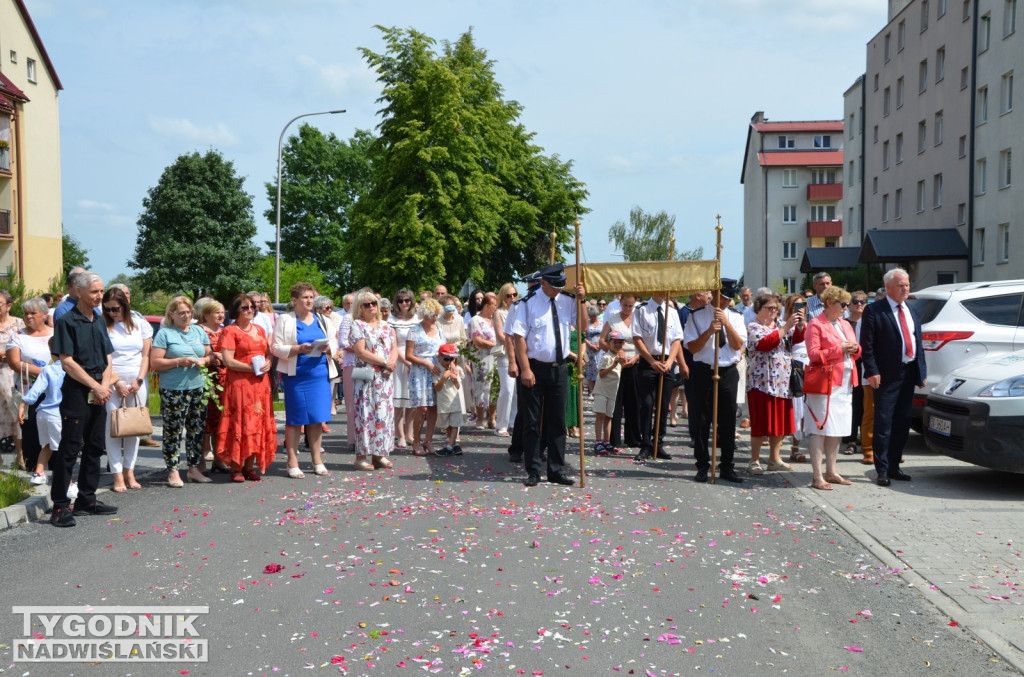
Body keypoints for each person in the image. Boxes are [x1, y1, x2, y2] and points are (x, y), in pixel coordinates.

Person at [48, 272, 117, 527]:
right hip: (78, 391)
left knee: (95, 446)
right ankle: (60, 506)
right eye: (94, 292)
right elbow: (66, 361)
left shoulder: (99, 320)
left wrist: (104, 386)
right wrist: (95, 387)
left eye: (101, 291)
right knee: (69, 448)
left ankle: (87, 500)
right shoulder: (67, 321)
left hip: (99, 388)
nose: (99, 296)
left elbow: (108, 357)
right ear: (79, 291)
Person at [510, 262, 585, 487]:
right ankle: (533, 469)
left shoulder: (568, 301)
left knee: (558, 421)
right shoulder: (526, 304)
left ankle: (556, 469)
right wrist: (525, 368)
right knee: (532, 422)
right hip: (535, 367)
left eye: (561, 285)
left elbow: (581, 327)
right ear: (543, 282)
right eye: (554, 285)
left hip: (559, 367)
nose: (559, 289)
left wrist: (582, 301)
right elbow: (519, 338)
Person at [860, 268, 926, 487]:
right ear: (888, 287)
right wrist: (871, 371)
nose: (905, 289)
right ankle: (882, 469)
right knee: (884, 423)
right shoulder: (874, 310)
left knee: (902, 421)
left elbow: (918, 344)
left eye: (907, 284)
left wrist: (921, 372)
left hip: (908, 373)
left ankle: (895, 466)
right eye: (901, 285)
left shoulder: (912, 310)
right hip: (886, 375)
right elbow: (866, 345)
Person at [684, 278, 747, 483]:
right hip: (704, 371)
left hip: (727, 370)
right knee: (702, 420)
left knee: (728, 421)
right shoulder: (696, 316)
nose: (726, 302)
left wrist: (726, 323)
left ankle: (727, 466)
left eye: (729, 298)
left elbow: (738, 345)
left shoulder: (736, 317)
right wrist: (709, 331)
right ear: (714, 293)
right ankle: (702, 465)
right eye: (723, 297)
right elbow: (692, 347)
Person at [272, 282, 332, 478]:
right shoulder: (285, 320)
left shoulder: (322, 319)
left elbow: (335, 342)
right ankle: (292, 460)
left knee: (316, 418)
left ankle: (317, 460)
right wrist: (297, 349)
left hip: (319, 373)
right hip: (296, 375)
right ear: (295, 300)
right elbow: (275, 347)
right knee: (296, 419)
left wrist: (329, 348)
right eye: (305, 297)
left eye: (311, 297)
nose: (309, 301)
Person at [151, 296, 213, 487]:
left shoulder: (197, 331)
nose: (186, 316)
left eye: (188, 312)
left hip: (197, 386)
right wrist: (179, 361)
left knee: (196, 429)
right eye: (181, 313)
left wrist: (204, 361)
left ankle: (193, 468)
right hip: (174, 389)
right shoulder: (165, 334)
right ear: (172, 314)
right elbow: (155, 362)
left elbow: (209, 353)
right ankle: (173, 470)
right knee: (173, 430)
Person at [803, 286, 860, 490]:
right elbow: (813, 355)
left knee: (837, 429)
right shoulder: (815, 324)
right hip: (824, 383)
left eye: (847, 304)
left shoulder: (845, 324)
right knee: (821, 428)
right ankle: (817, 475)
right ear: (829, 303)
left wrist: (855, 348)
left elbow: (856, 348)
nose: (846, 308)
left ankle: (832, 471)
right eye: (842, 304)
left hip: (844, 382)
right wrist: (839, 348)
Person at [217, 294, 277, 481]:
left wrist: (268, 362)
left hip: (260, 383)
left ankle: (250, 467)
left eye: (252, 307)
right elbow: (227, 360)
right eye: (245, 307)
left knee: (257, 423)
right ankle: (236, 467)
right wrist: (251, 368)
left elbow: (268, 353)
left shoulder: (259, 329)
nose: (250, 310)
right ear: (235, 310)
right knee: (240, 423)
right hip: (240, 384)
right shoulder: (230, 331)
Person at [745, 292, 804, 474]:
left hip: (781, 382)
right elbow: (766, 343)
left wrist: (801, 325)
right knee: (760, 423)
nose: (773, 311)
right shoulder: (754, 326)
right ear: (759, 309)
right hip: (761, 382)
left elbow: (797, 339)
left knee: (779, 423)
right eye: (769, 308)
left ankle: (774, 458)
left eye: (776, 308)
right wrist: (786, 327)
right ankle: (754, 460)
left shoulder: (780, 325)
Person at [101, 288, 153, 492]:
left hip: (137, 379)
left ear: (125, 305)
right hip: (114, 378)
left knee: (134, 427)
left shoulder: (140, 323)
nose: (112, 313)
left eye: (115, 308)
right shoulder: (104, 325)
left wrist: (139, 380)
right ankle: (116, 474)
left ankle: (129, 470)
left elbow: (146, 355)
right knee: (113, 427)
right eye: (107, 309)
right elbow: (104, 357)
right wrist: (117, 382)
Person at [632, 293, 686, 462]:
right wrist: (651, 361)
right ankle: (646, 444)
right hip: (649, 362)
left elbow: (677, 339)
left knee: (663, 406)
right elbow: (637, 338)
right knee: (647, 404)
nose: (665, 293)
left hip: (667, 363)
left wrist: (670, 361)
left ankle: (658, 443)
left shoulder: (672, 311)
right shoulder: (641, 310)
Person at [349, 290, 397, 470]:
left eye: (373, 303)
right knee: (365, 414)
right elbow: (361, 351)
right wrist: (385, 362)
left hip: (385, 378)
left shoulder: (387, 326)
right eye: (366, 304)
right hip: (367, 378)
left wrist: (391, 363)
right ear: (359, 308)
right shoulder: (357, 325)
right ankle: (361, 457)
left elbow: (394, 348)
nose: (371, 307)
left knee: (383, 415)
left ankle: (379, 454)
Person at [7, 297, 52, 473]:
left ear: (44, 314)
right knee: (31, 433)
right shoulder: (18, 336)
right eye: (26, 313)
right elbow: (14, 363)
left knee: (53, 430)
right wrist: (45, 373)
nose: (29, 317)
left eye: (33, 313)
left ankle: (57, 472)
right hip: (28, 391)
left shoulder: (55, 333)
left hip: (53, 392)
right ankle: (33, 470)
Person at [598, 294, 641, 452]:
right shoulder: (613, 319)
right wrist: (617, 351)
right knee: (615, 400)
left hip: (634, 362)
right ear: (620, 304)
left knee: (634, 401)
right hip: (616, 363)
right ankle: (613, 438)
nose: (628, 309)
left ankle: (633, 437)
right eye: (625, 305)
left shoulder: (638, 319)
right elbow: (602, 340)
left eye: (630, 306)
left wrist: (636, 357)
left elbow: (643, 342)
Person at [406, 298, 445, 455]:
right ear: (424, 314)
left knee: (433, 408)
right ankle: (416, 441)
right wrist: (426, 363)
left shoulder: (439, 330)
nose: (434, 317)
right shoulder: (414, 330)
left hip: (436, 371)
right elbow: (408, 355)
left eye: (436, 314)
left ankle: (428, 441)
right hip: (420, 371)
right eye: (431, 314)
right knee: (421, 408)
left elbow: (443, 351)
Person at [18, 357, 63, 487]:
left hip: (43, 412)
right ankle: (67, 483)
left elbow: (36, 390)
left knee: (47, 445)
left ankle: (38, 473)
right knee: (64, 450)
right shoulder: (72, 369)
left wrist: (23, 404)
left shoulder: (48, 369)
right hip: (59, 414)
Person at [196, 300, 230, 472]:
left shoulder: (225, 331)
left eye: (222, 312)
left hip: (224, 380)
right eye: (216, 312)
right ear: (206, 315)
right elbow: (200, 352)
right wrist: (215, 355)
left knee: (220, 422)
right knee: (205, 422)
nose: (220, 315)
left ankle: (218, 458)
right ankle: (201, 460)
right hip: (205, 379)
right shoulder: (199, 330)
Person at [0, 289, 26, 469]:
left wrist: (11, 355)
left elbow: (27, 345)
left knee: (17, 414)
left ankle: (20, 456)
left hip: (12, 374)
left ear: (9, 305)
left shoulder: (18, 323)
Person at [842, 291, 869, 458]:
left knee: (865, 404)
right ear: (849, 304)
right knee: (852, 403)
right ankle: (851, 440)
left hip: (866, 366)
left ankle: (866, 440)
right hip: (850, 365)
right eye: (855, 301)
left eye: (863, 301)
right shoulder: (844, 323)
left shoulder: (869, 322)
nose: (859, 304)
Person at [784, 293, 810, 464]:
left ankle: (795, 449)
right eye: (796, 306)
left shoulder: (810, 324)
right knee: (788, 410)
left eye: (802, 306)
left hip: (806, 368)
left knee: (802, 411)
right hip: (788, 368)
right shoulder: (782, 323)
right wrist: (795, 325)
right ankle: (776, 450)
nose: (799, 309)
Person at [592, 330, 626, 455]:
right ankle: (598, 441)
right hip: (602, 390)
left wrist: (625, 361)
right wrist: (613, 365)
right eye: (615, 342)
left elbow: (624, 366)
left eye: (620, 343)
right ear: (609, 343)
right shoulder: (606, 356)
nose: (617, 345)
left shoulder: (619, 356)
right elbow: (601, 373)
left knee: (608, 417)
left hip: (612, 391)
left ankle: (607, 441)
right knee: (600, 415)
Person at [469, 292, 498, 429]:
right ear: (487, 305)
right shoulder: (476, 320)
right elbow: (477, 340)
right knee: (482, 387)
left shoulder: (495, 319)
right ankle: (480, 419)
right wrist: (496, 345)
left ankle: (492, 418)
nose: (496, 307)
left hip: (497, 357)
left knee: (495, 387)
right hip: (482, 358)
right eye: (494, 305)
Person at [493, 283, 518, 436]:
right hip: (505, 354)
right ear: (503, 297)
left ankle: (513, 422)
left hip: (519, 353)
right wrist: (516, 343)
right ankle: (500, 424)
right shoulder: (499, 312)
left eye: (514, 294)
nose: (512, 298)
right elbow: (501, 336)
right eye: (509, 295)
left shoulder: (520, 310)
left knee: (516, 392)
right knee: (507, 390)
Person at [314, 295, 342, 426]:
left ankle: (323, 419)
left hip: (330, 357)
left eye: (331, 307)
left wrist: (334, 351)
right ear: (318, 309)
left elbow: (335, 339)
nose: (330, 310)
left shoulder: (331, 320)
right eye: (327, 307)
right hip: (316, 359)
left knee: (329, 389)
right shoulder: (315, 320)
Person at [433, 343, 464, 456]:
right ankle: (455, 445)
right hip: (444, 403)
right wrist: (444, 377)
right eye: (446, 358)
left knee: (455, 424)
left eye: (451, 359)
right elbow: (437, 387)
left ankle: (450, 446)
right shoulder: (437, 370)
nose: (448, 361)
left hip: (455, 402)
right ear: (439, 357)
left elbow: (457, 387)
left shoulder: (454, 369)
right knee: (447, 426)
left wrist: (455, 379)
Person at [582, 303, 603, 397]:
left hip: (600, 349)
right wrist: (590, 344)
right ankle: (591, 391)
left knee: (599, 368)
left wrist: (600, 343)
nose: (593, 317)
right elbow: (583, 337)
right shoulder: (587, 323)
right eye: (591, 316)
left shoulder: (602, 323)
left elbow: (605, 335)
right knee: (590, 370)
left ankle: (599, 391)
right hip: (589, 350)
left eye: (594, 315)